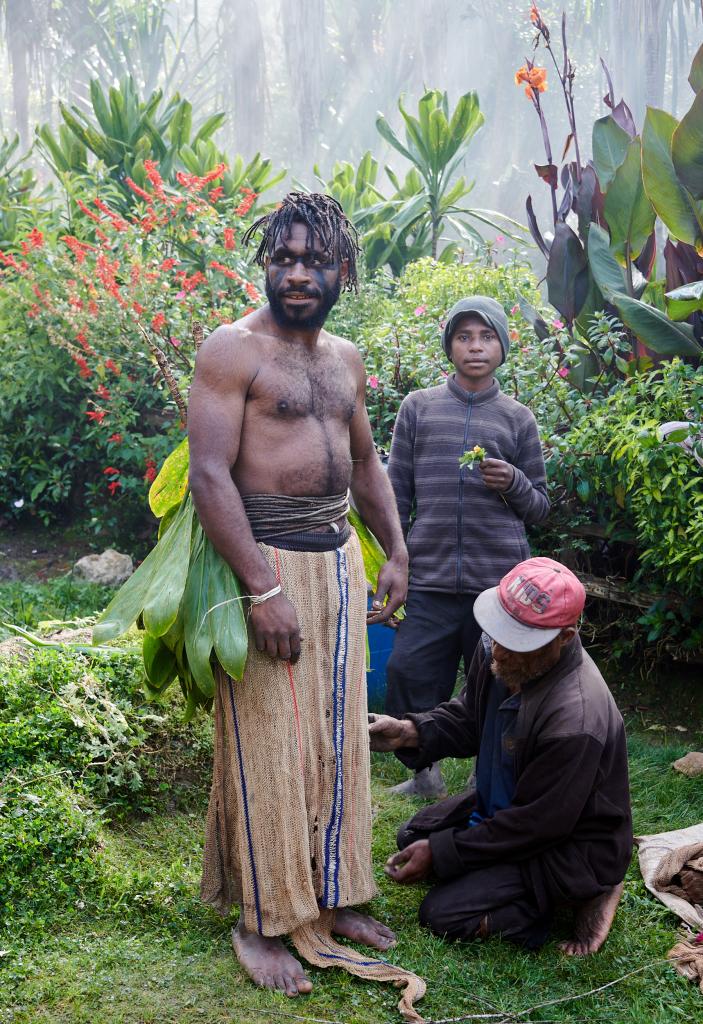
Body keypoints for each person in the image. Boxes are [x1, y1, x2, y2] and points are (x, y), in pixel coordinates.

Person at [188, 193, 423, 1012]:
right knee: (265, 744)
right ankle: (259, 919)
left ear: (342, 272)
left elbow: (364, 465)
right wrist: (262, 588)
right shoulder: (232, 350)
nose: (296, 274)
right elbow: (210, 475)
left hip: (336, 564)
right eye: (282, 258)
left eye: (313, 261)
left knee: (335, 736)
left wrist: (393, 549)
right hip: (264, 566)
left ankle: (338, 888)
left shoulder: (345, 359)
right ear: (264, 264)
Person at [370, 557, 632, 955]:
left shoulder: (576, 718)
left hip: (564, 842)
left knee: (443, 914)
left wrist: (445, 853)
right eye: (499, 630)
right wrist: (408, 732)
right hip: (509, 806)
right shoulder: (495, 646)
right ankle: (500, 870)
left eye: (520, 640)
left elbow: (535, 826)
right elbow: (468, 720)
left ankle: (590, 889)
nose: (501, 650)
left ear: (564, 637)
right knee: (413, 835)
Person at [385, 296, 550, 798]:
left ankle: (487, 778)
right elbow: (396, 493)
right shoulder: (418, 408)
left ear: (502, 346)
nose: (475, 347)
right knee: (408, 670)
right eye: (464, 337)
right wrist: (395, 556)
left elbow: (540, 507)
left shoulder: (517, 418)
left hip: (496, 582)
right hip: (431, 578)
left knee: (500, 682)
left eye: (486, 337)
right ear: (449, 347)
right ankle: (424, 774)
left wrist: (514, 481)